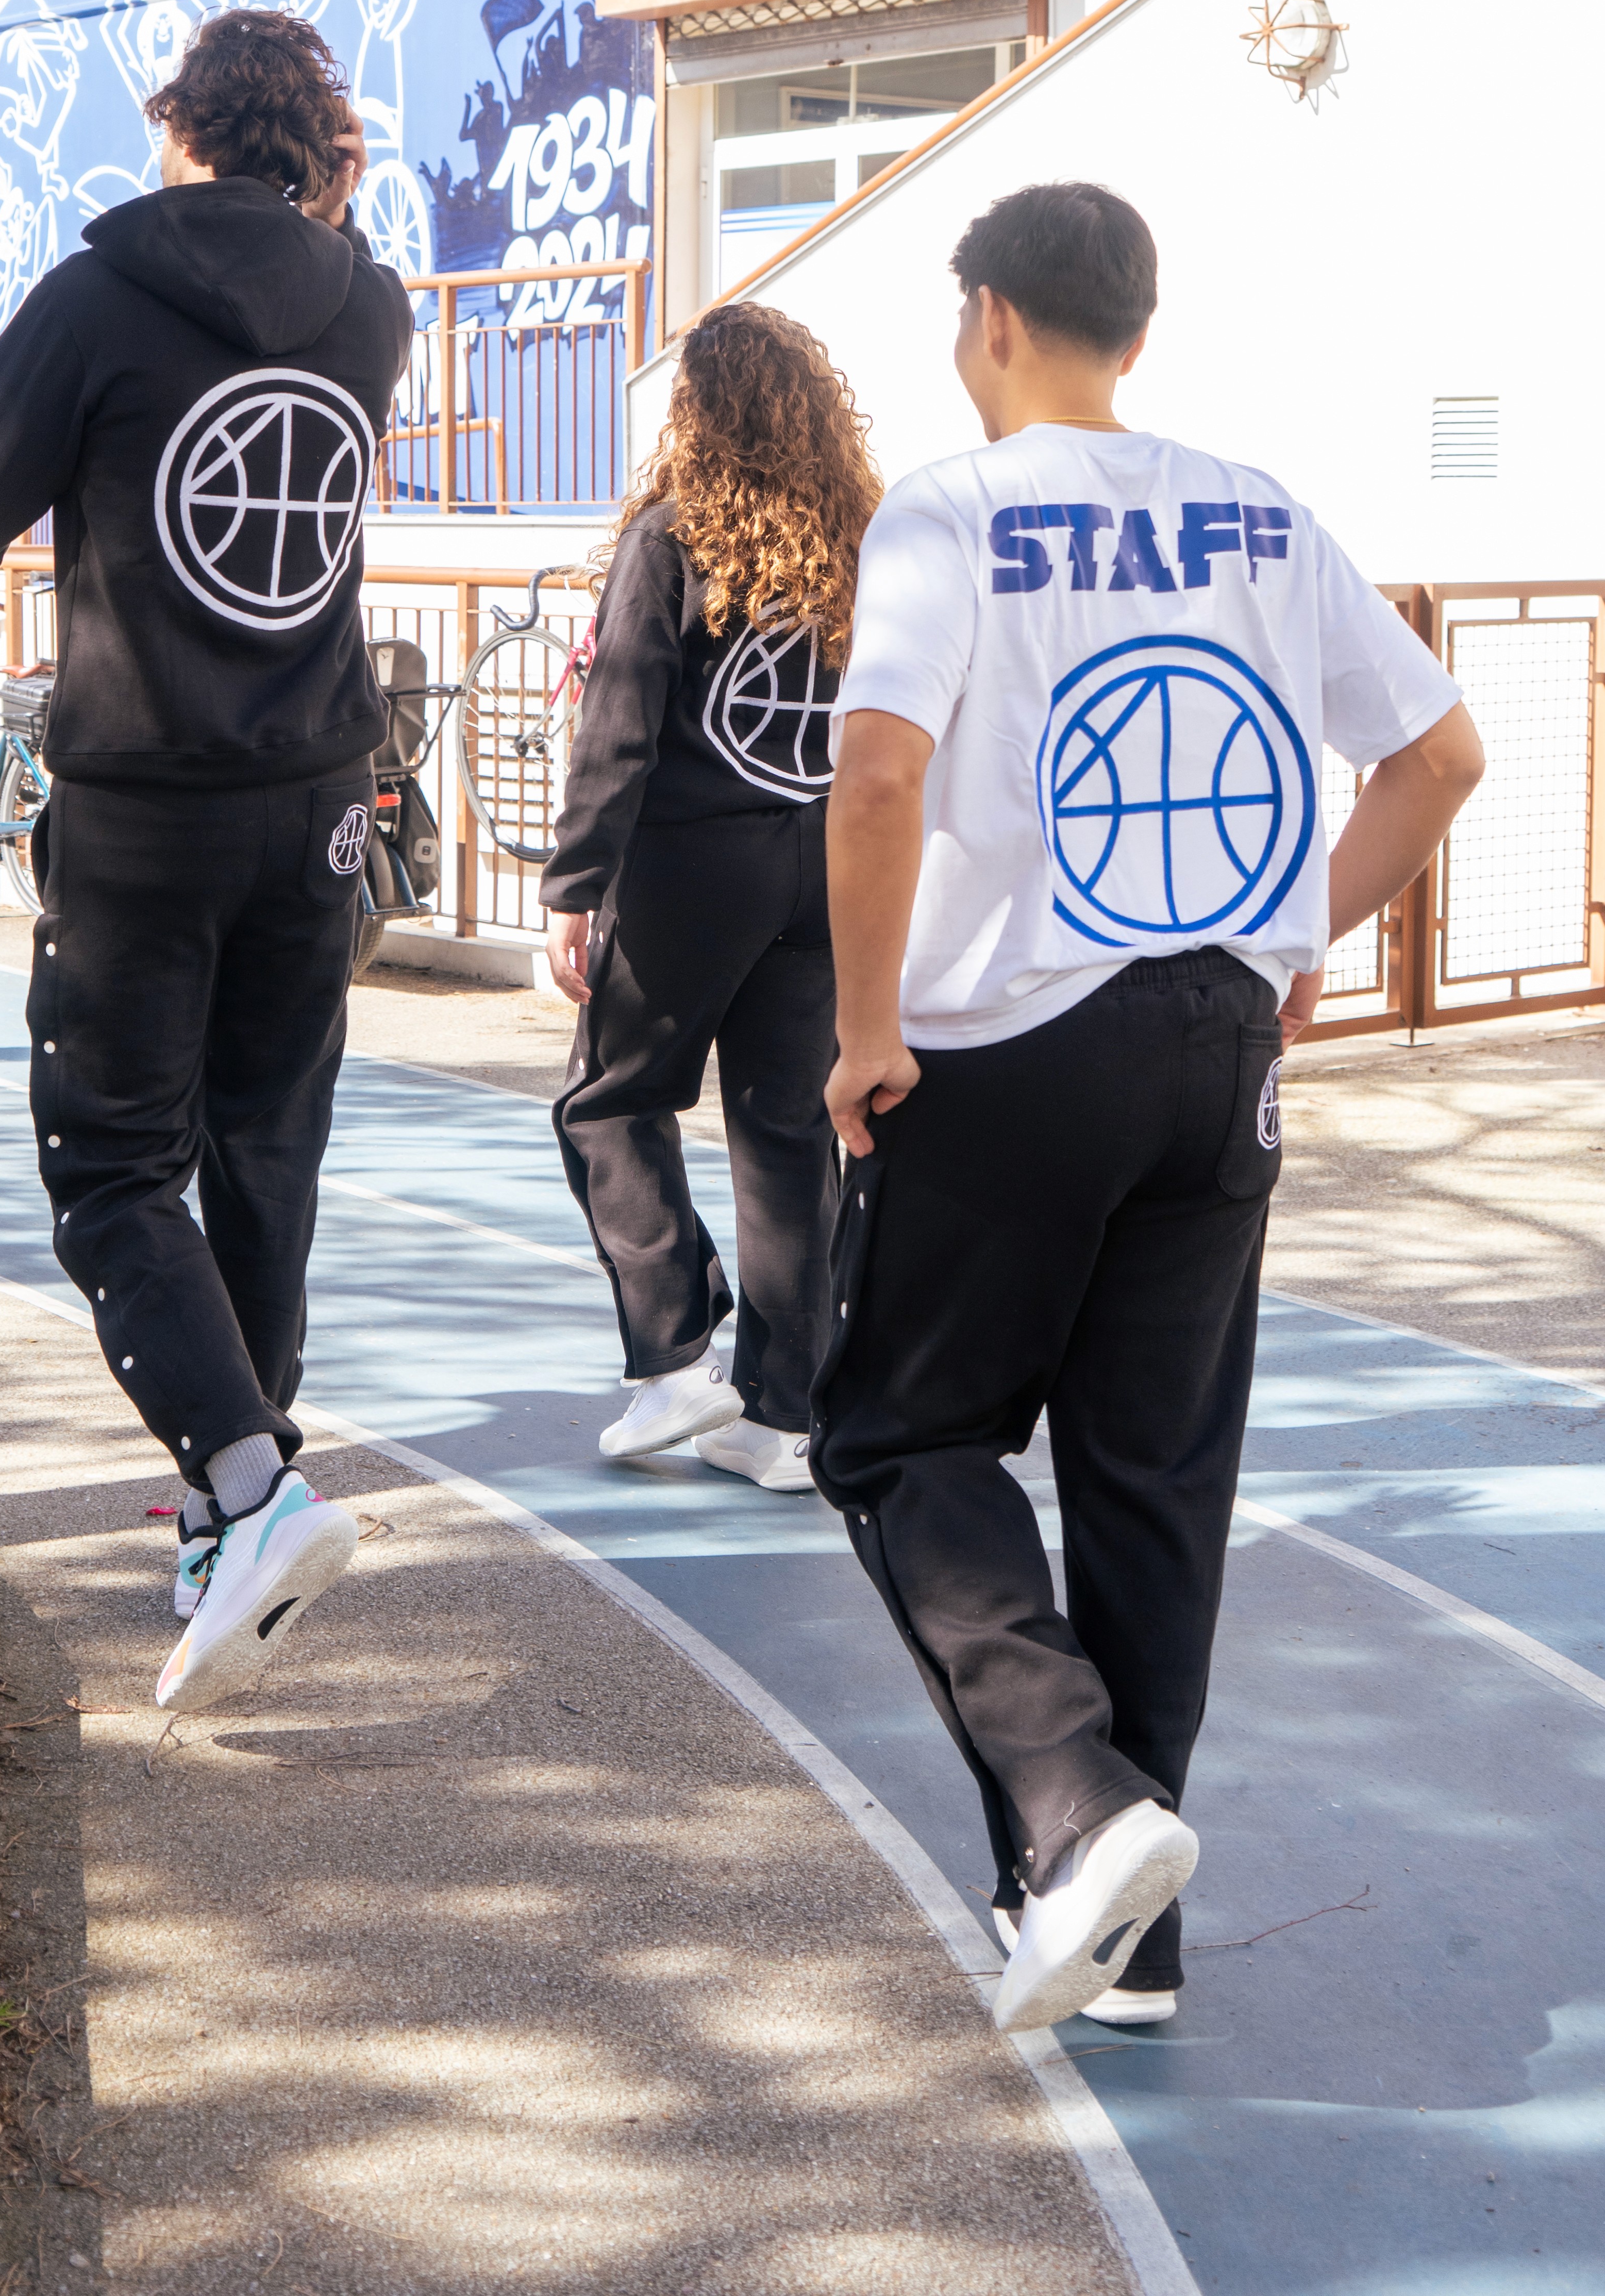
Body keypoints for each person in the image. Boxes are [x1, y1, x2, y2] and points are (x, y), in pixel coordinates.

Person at [815, 181, 1483, 2033]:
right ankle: (1132, 1938)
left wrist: (866, 1027)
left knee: (899, 1437)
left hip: (1020, 1039)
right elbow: (1443, 754)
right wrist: (1294, 938)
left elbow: (877, 783)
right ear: (1138, 330)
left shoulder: (952, 510)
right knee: (1153, 1483)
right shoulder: (1262, 509)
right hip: (1219, 1055)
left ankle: (1071, 1801)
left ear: (992, 319)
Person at [0, 9, 412, 1713]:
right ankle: (231, 1501)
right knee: (266, 1150)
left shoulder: (100, 294)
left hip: (145, 801)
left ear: (181, 128)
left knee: (117, 1170)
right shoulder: (369, 305)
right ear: (317, 146)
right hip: (323, 794)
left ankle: (254, 1490)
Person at [543, 304, 881, 1488]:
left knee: (608, 1101)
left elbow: (619, 723)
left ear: (694, 410)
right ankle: (781, 1418)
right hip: (825, 868)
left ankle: (673, 1358)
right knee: (788, 1132)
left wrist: (574, 883)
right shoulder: (859, 540)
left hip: (695, 869)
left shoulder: (672, 538)